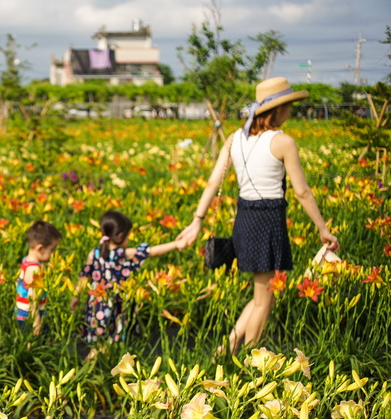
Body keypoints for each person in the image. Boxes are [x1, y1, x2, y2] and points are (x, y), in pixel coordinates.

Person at [177, 77, 339, 354]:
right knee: (266, 298)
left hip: (244, 219)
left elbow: (212, 182)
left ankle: (226, 348)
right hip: (268, 220)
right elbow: (302, 192)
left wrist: (197, 219)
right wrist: (323, 229)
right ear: (276, 110)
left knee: (260, 292)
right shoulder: (283, 142)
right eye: (288, 106)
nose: (290, 112)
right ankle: (252, 362)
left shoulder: (234, 139)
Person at [71, 210, 185, 345]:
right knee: (114, 336)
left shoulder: (94, 253)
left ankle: (97, 356)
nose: (129, 239)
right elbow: (152, 252)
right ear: (119, 236)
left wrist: (76, 296)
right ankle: (104, 356)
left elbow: (84, 278)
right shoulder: (124, 253)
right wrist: (176, 244)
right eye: (128, 236)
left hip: (98, 302)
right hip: (118, 302)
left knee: (99, 332)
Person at [15, 221, 62, 336]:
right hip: (30, 317)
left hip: (22, 313)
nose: (53, 254)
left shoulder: (26, 261)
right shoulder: (35, 270)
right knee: (32, 342)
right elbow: (33, 298)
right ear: (40, 249)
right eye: (52, 250)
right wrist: (36, 322)